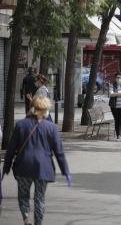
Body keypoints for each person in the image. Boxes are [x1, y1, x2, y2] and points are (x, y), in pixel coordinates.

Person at [3, 96, 71, 225]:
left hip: (23, 166)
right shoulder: (51, 127)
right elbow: (59, 152)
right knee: (39, 199)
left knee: (23, 196)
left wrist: (5, 169)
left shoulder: (21, 125)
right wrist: (66, 171)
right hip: (43, 168)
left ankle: (26, 218)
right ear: (46, 110)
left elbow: (11, 149)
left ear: (32, 107)